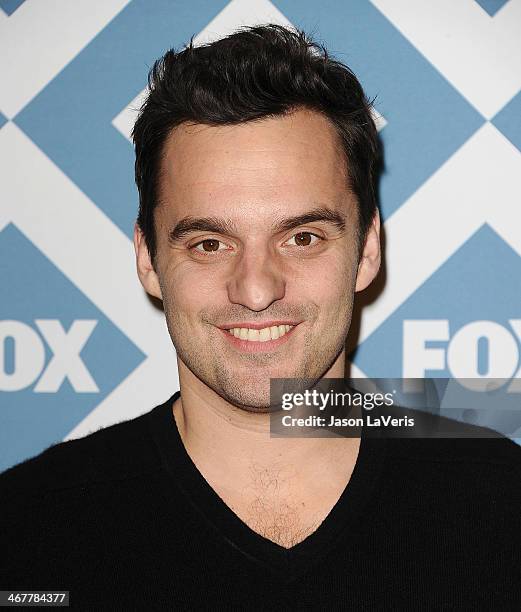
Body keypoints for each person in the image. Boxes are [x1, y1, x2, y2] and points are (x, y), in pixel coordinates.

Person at [1, 24, 520, 610]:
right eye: (209, 244)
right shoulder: (26, 529)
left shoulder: (501, 501)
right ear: (147, 259)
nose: (254, 289)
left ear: (367, 250)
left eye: (301, 237)